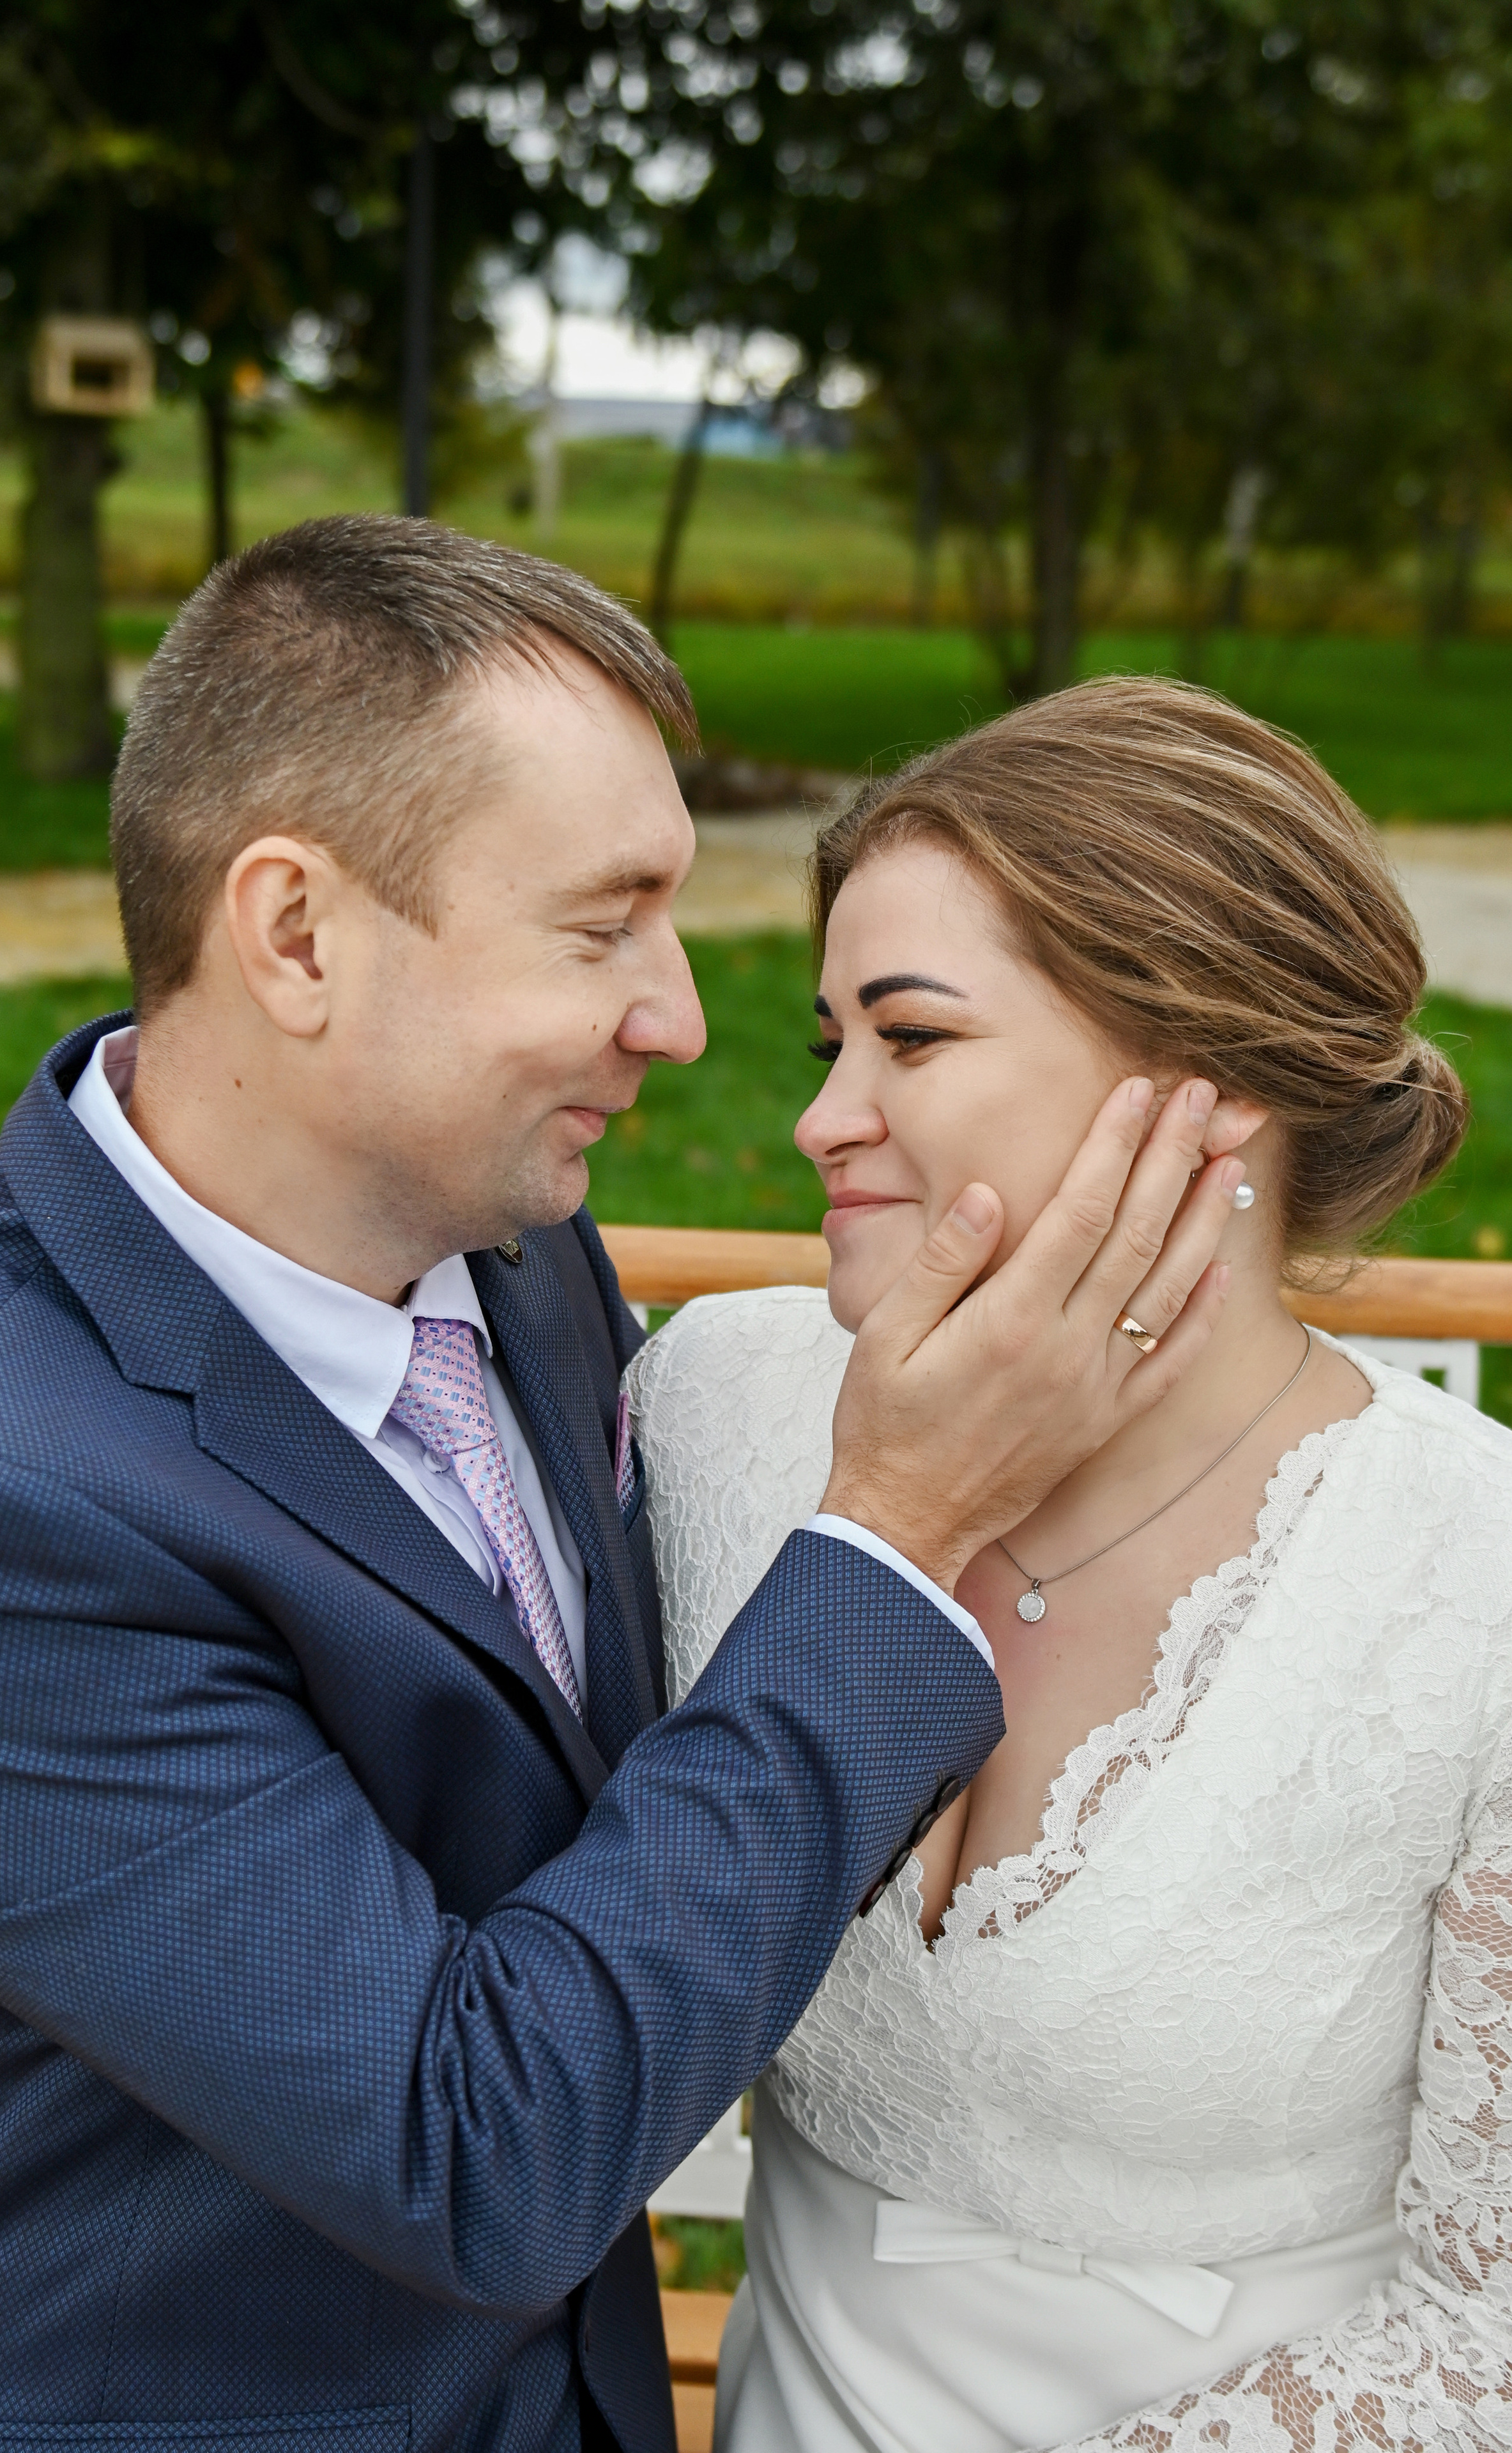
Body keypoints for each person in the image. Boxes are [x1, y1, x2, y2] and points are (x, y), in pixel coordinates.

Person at [0, 523, 1237, 2453]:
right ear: (293, 938)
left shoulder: (511, 1243)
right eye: (600, 931)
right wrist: (900, 1531)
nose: (678, 1017)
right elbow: (473, 2152)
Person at [628, 674, 1512, 2453]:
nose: (822, 1122)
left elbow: (1487, 2329)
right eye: (832, 1046)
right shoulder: (713, 1407)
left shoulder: (1473, 1577)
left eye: (916, 1039)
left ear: (1213, 1091)